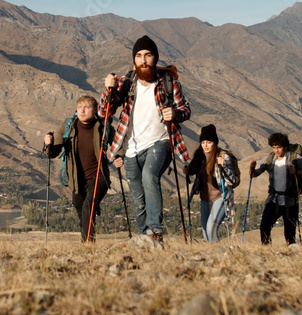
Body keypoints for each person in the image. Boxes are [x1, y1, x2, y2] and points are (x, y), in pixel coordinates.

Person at [101, 35, 191, 243]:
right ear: (134, 60)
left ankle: (155, 230)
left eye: (148, 56)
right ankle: (143, 237)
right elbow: (104, 112)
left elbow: (186, 110)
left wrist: (175, 114)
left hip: (161, 142)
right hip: (131, 148)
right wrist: (109, 90)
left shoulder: (169, 83)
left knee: (150, 175)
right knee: (137, 197)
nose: (143, 60)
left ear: (155, 58)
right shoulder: (126, 83)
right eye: (139, 56)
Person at [43, 95, 113, 242]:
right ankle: (89, 241)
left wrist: (119, 156)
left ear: (95, 110)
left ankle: (87, 245)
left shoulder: (102, 127)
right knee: (82, 212)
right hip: (76, 180)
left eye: (87, 107)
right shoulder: (68, 126)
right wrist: (48, 144)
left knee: (88, 207)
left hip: (98, 176)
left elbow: (120, 142)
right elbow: (53, 153)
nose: (82, 110)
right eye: (80, 107)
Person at [249, 132, 302, 246]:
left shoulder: (295, 158)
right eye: (274, 147)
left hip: (291, 201)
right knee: (264, 226)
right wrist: (252, 169)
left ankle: (291, 255)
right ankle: (266, 251)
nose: (276, 150)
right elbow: (256, 173)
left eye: (278, 147)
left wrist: (296, 172)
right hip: (274, 199)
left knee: (290, 235)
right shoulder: (270, 158)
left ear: (285, 146)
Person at [186, 125, 238, 243]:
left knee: (211, 228)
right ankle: (214, 254)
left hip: (221, 197)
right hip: (205, 199)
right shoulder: (200, 156)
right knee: (205, 231)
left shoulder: (223, 157)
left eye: (208, 142)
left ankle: (219, 256)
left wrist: (224, 167)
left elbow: (232, 180)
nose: (205, 145)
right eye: (203, 142)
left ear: (214, 143)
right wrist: (187, 171)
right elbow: (192, 170)